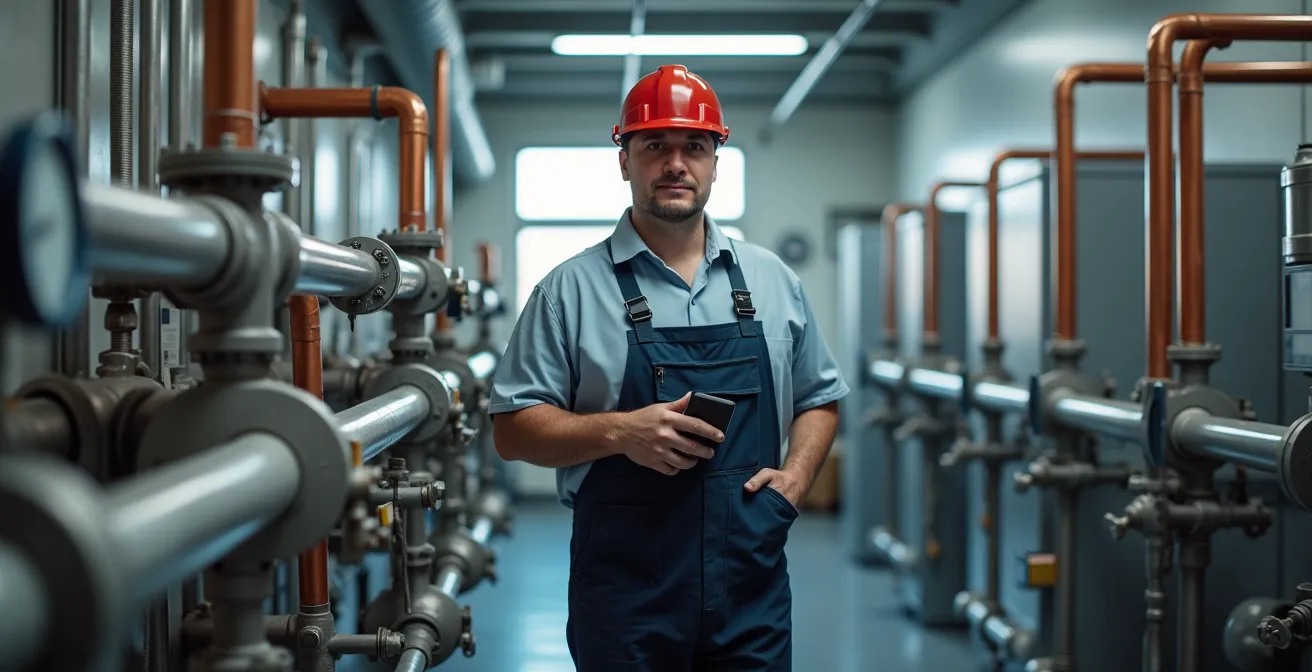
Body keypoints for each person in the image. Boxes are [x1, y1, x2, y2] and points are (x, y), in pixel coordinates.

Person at [488, 64, 849, 671]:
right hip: (626, 594)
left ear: (715, 160)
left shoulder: (772, 280)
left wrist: (797, 478)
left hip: (750, 588)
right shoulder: (567, 291)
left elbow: (821, 396)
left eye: (695, 146)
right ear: (624, 159)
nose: (676, 163)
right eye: (655, 145)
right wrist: (620, 431)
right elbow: (511, 429)